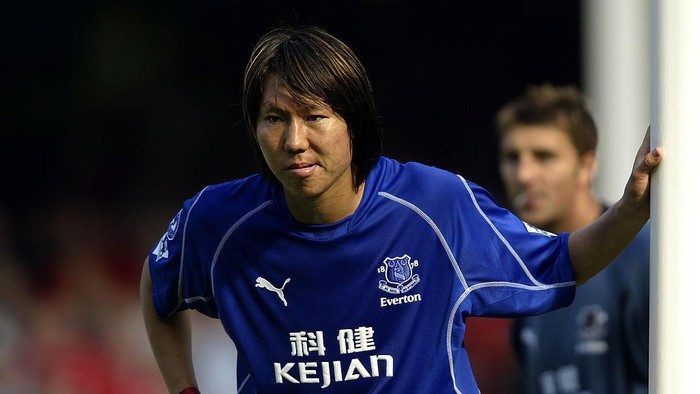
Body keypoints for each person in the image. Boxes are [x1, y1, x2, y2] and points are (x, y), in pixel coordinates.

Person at [140, 25, 662, 394]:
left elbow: (558, 262)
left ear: (354, 122)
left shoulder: (434, 207)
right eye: (274, 118)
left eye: (315, 116)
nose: (294, 140)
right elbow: (158, 285)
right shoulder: (219, 222)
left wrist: (632, 209)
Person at [496, 84, 650, 393]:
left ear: (586, 165)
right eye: (513, 157)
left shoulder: (641, 257)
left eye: (544, 156)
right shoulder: (525, 275)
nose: (524, 174)